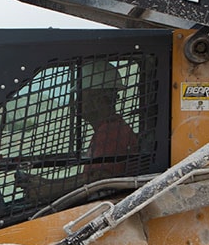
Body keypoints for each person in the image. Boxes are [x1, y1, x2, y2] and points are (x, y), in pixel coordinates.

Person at [17, 61, 138, 201]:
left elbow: (99, 180)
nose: (74, 104)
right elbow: (87, 179)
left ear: (97, 100)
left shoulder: (110, 135)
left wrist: (48, 190)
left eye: (80, 97)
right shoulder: (109, 129)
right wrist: (45, 183)